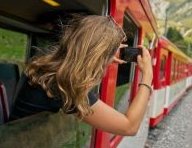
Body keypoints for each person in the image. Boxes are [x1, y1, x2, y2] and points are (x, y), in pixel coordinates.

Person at [10, 15, 153, 136]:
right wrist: (147, 75)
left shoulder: (51, 67)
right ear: (99, 57)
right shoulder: (64, 85)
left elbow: (79, 57)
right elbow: (129, 127)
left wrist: (103, 57)